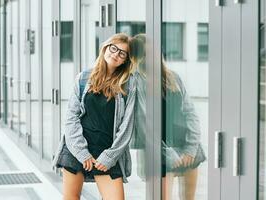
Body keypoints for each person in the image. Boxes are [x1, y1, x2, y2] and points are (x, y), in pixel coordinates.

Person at [52, 33, 136, 200]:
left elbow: (127, 125)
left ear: (126, 60)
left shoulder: (129, 83)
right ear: (105, 48)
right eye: (114, 48)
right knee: (71, 197)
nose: (116, 54)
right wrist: (82, 152)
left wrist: (110, 156)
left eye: (122, 53)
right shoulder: (84, 77)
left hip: (106, 151)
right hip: (77, 147)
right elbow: (71, 118)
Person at [129, 34, 206, 200]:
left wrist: (191, 148)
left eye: (155, 52)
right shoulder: (135, 82)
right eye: (146, 54)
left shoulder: (173, 77)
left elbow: (190, 112)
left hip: (186, 144)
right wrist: (169, 154)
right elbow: (143, 125)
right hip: (158, 149)